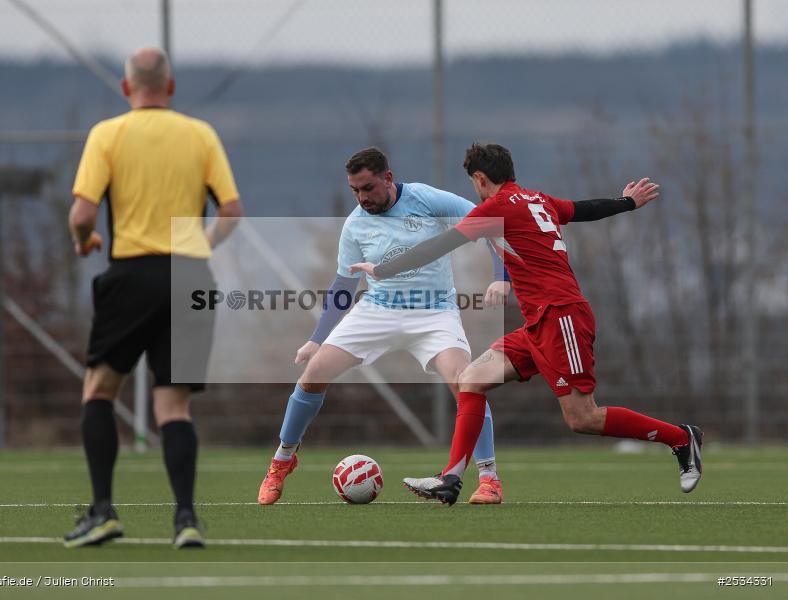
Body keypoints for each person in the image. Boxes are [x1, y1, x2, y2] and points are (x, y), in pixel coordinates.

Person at [351, 143, 702, 505]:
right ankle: (451, 479)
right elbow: (581, 210)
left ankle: (680, 438)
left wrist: (382, 269)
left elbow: (440, 245)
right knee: (471, 379)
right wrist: (626, 202)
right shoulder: (537, 199)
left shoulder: (497, 208)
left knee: (583, 417)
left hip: (561, 315)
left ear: (480, 178)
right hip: (540, 321)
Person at [258, 147, 510, 507]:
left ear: (388, 178)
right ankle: (282, 461)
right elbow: (344, 285)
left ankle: (489, 479)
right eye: (355, 191)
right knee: (313, 374)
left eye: (368, 188)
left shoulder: (427, 199)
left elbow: (491, 224)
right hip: (377, 311)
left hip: (434, 313)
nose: (363, 198)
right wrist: (317, 340)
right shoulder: (356, 223)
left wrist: (501, 277)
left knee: (468, 382)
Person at [64, 47, 243, 548]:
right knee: (174, 407)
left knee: (99, 391)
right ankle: (186, 519)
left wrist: (85, 243)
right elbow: (231, 209)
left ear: (126, 88)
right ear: (171, 86)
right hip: (191, 277)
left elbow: (81, 217)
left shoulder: (107, 134)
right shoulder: (200, 133)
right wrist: (199, 246)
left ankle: (102, 512)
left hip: (132, 274)